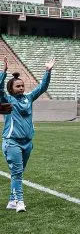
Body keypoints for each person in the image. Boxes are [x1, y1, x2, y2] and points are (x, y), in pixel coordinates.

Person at [1, 56, 53, 212]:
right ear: (11, 89)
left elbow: (42, 87)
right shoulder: (7, 99)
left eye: (22, 85)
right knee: (17, 173)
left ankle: (11, 200)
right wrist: (4, 72)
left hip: (27, 142)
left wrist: (48, 71)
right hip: (12, 142)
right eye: (18, 86)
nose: (21, 88)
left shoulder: (29, 98)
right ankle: (20, 202)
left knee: (18, 172)